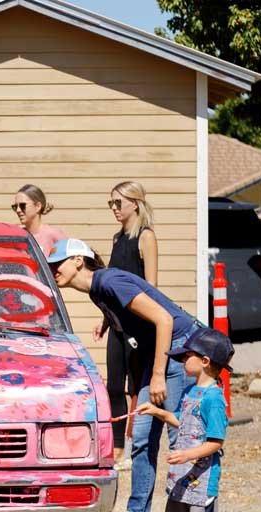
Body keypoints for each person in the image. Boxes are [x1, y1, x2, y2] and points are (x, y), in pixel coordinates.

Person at [47, 238, 199, 512]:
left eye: (57, 264)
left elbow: (164, 319)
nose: (53, 271)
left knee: (181, 440)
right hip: (157, 357)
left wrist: (158, 374)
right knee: (142, 439)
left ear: (78, 260)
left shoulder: (109, 280)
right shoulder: (98, 290)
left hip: (180, 351)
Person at [137, 327, 233, 512]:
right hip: (183, 477)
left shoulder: (214, 398)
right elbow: (184, 421)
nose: (181, 361)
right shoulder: (192, 392)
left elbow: (216, 441)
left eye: (186, 356)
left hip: (202, 481)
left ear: (204, 361)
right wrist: (157, 411)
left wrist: (187, 454)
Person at [101, 181, 159, 472]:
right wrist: (104, 320)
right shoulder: (116, 239)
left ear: (134, 204)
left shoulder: (145, 237)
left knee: (136, 387)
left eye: (118, 203)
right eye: (111, 203)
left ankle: (135, 444)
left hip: (137, 323)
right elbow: (110, 284)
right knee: (113, 387)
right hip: (116, 323)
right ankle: (116, 448)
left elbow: (151, 286)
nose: (114, 208)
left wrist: (146, 321)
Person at [12, 184, 66, 254]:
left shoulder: (53, 234)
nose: (18, 210)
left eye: (23, 206)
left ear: (38, 206)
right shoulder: (17, 236)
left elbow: (72, 260)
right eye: (15, 207)